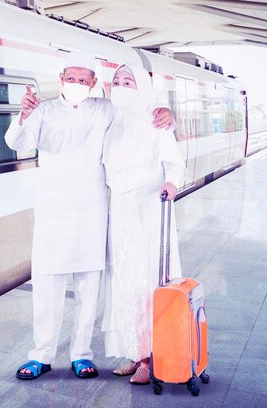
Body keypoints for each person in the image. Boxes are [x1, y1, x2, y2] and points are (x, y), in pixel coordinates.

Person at [4, 51, 174, 380]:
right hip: (53, 213)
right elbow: (16, 142)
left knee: (87, 288)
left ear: (94, 83)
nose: (77, 84)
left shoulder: (106, 109)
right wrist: (23, 114)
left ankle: (82, 354)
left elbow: (139, 112)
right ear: (61, 80)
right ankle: (41, 355)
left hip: (92, 212)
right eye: (71, 79)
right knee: (47, 287)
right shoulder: (43, 111)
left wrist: (167, 113)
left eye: (84, 80)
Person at [101, 64, 185, 384]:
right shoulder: (114, 118)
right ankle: (136, 352)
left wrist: (173, 183)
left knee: (149, 278)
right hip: (121, 208)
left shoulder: (155, 118)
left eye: (128, 81)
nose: (121, 86)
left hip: (149, 205)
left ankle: (153, 356)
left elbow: (173, 161)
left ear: (143, 87)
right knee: (126, 280)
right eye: (117, 81)